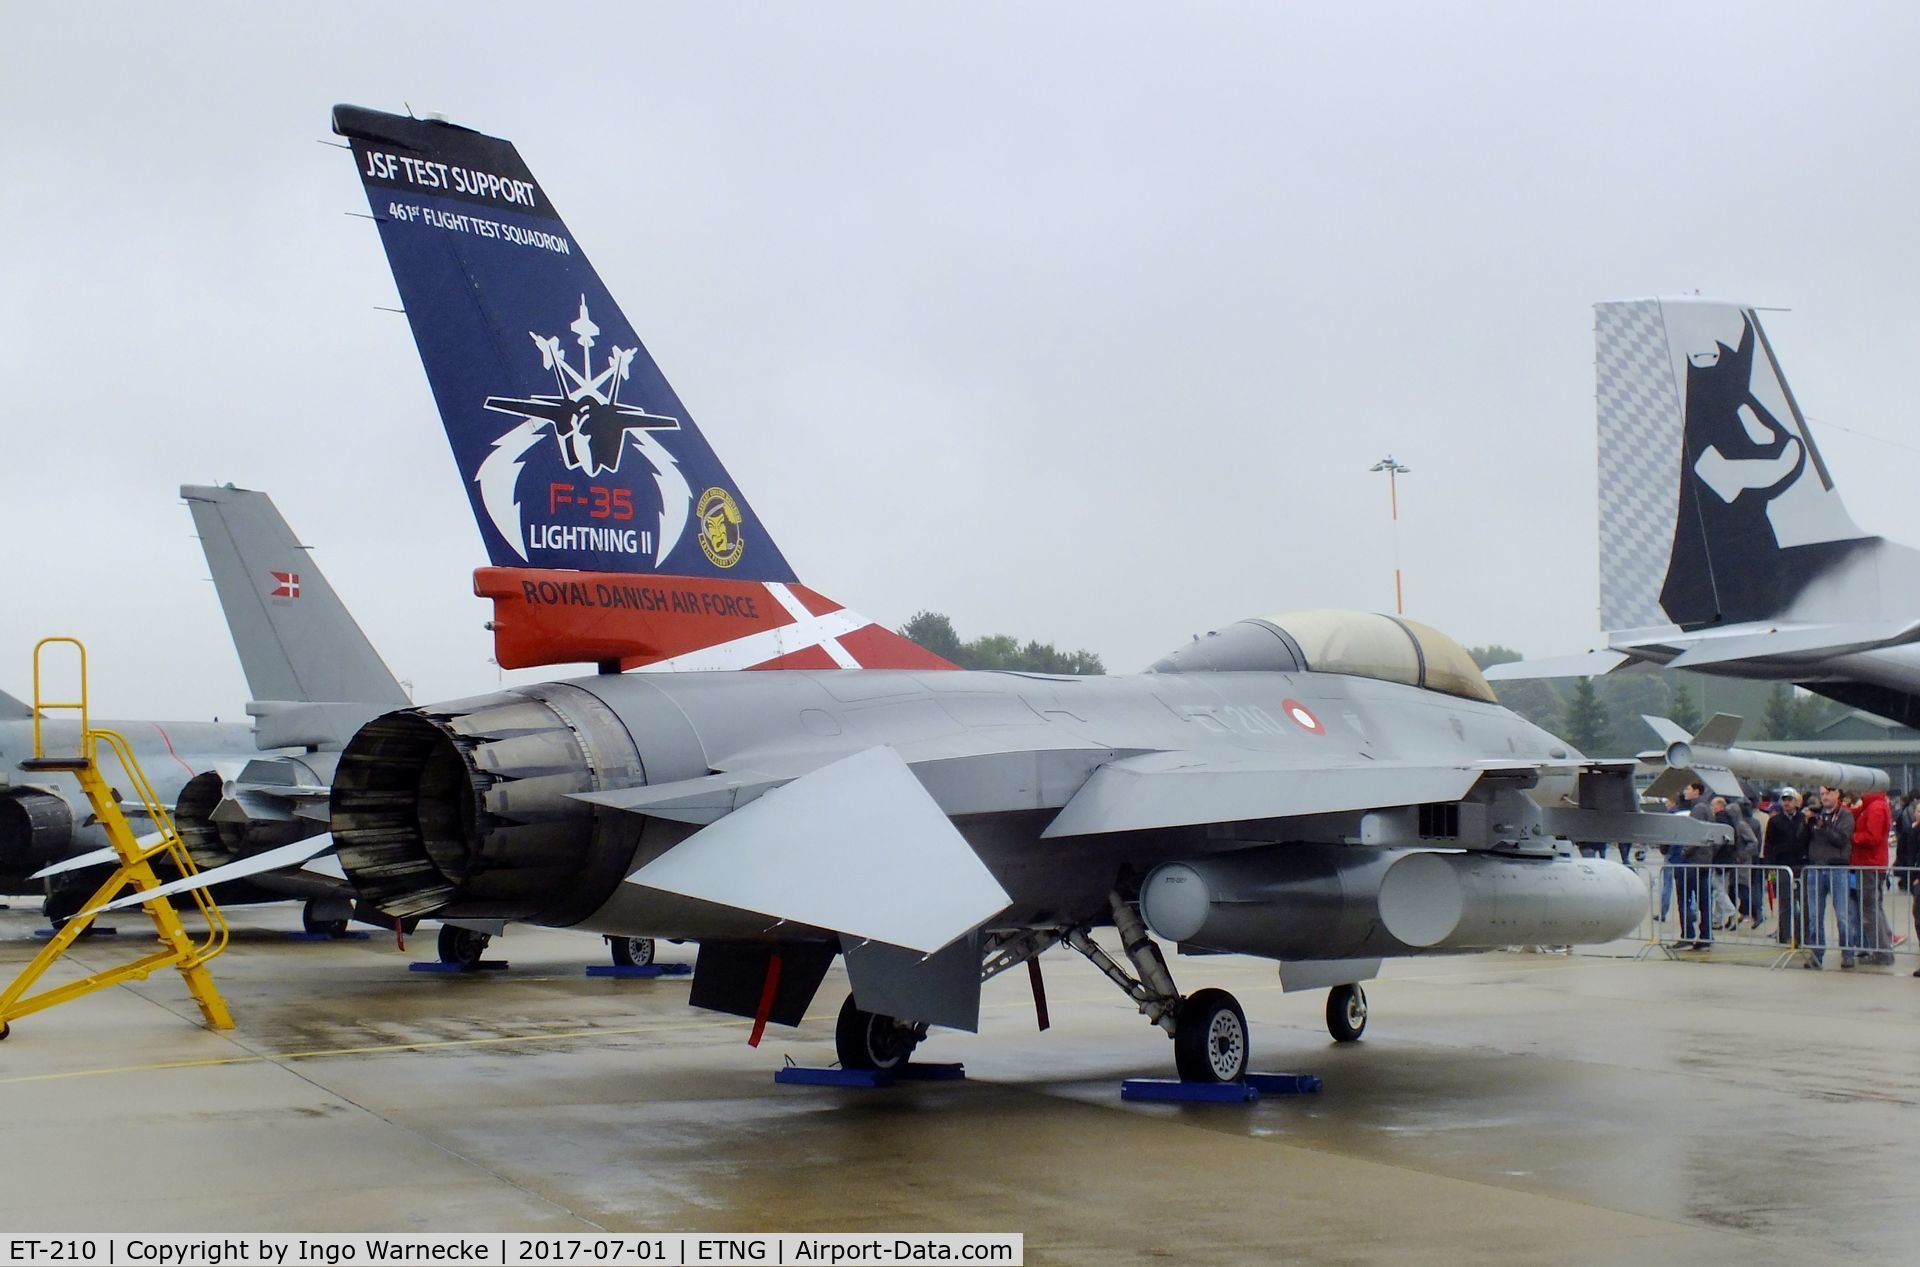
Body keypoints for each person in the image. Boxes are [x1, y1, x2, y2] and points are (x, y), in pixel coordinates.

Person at [1806, 786, 1855, 968]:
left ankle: (1848, 953)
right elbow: (1803, 840)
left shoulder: (1845, 815)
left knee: (1842, 914)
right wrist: (1806, 824)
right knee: (1814, 915)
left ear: (1837, 795)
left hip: (1837, 868)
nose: (1824, 797)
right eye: (1822, 794)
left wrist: (1823, 826)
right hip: (1816, 868)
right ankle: (1816, 953)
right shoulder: (1816, 815)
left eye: (1827, 793)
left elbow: (1842, 839)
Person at [1851, 788, 1895, 966]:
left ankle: (1882, 952)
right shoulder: (1875, 805)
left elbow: (1872, 837)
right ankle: (1884, 948)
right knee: (1875, 907)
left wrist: (1852, 837)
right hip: (1873, 864)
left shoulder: (1874, 807)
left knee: (1870, 909)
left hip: (1869, 864)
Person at [1764, 787, 1811, 947]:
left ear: (1796, 802)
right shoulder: (1775, 821)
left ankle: (1802, 936)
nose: (1786, 803)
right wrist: (1769, 868)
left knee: (1802, 904)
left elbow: (1809, 840)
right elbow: (1769, 845)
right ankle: (1784, 935)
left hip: (1800, 865)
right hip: (1782, 866)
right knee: (1785, 903)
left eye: (1789, 800)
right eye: (1784, 800)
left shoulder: (1803, 819)